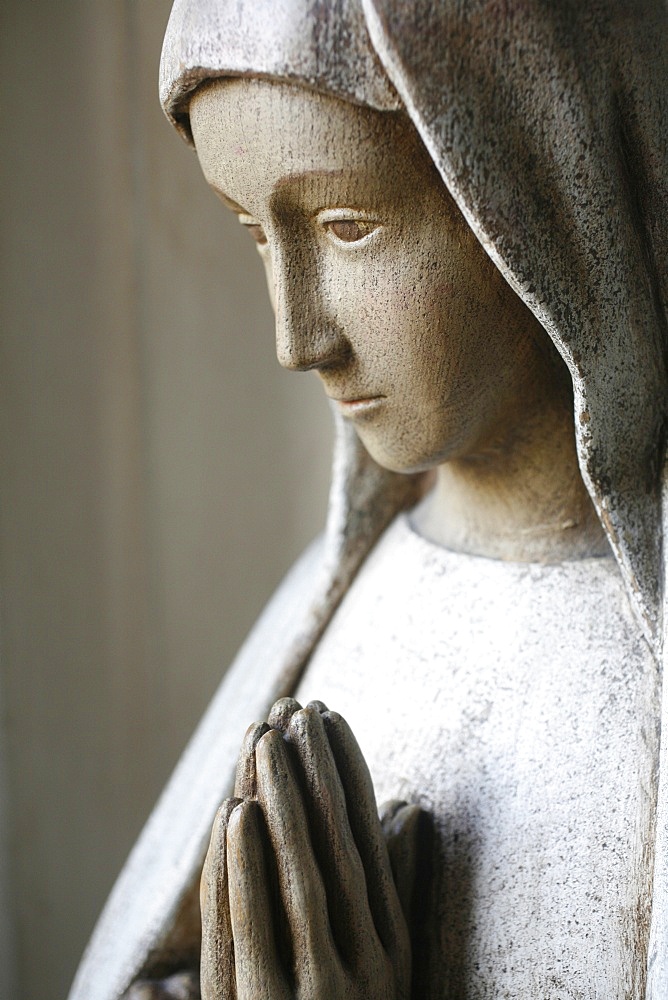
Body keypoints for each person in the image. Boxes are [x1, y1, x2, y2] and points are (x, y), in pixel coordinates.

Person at [68, 1, 667, 998]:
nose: (295, 340)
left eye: (347, 226)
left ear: (544, 192)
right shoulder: (341, 594)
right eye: (256, 233)